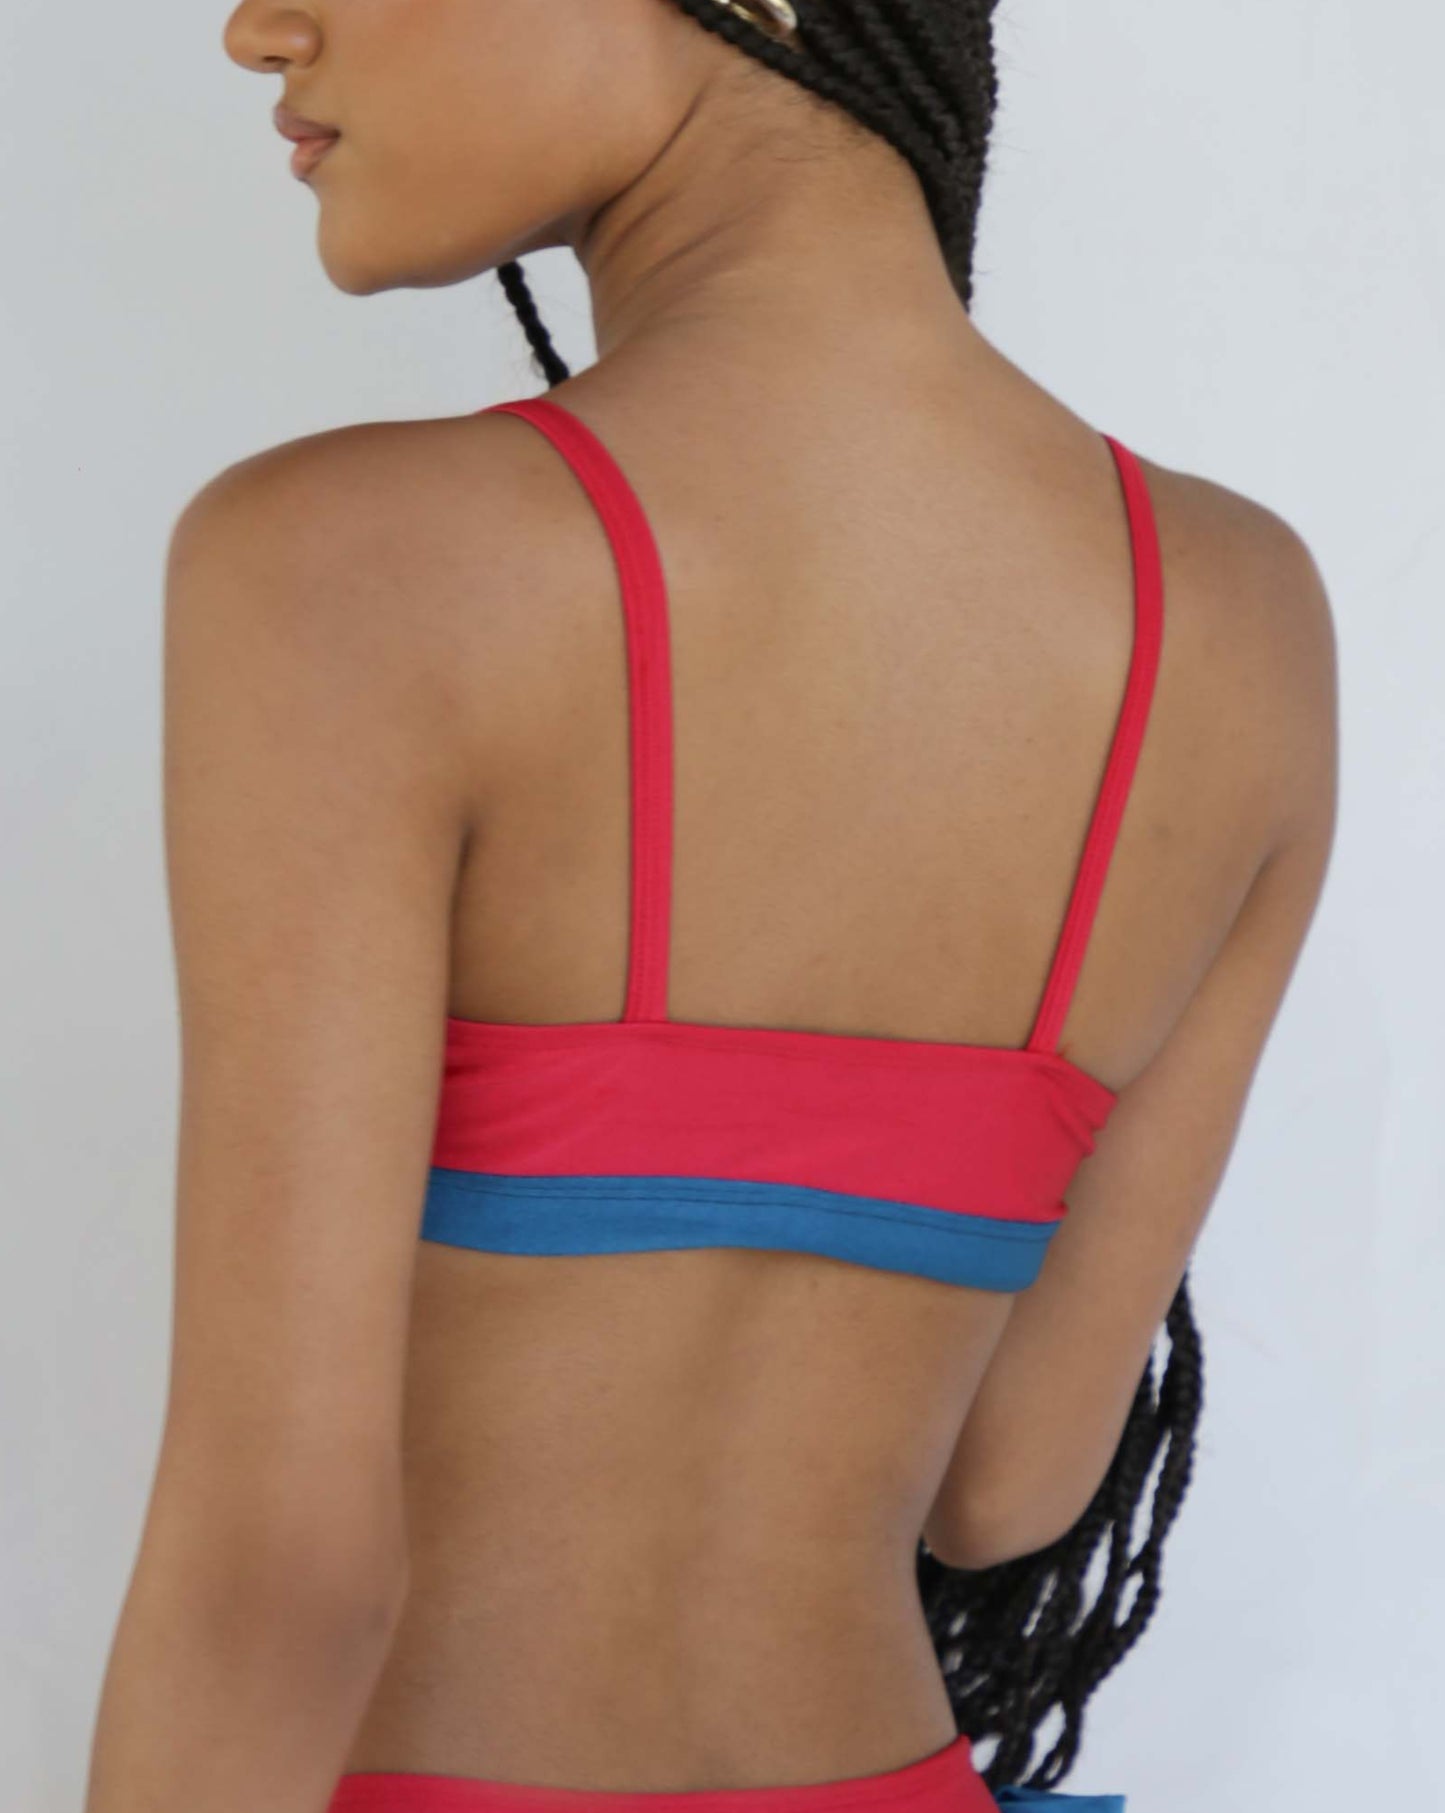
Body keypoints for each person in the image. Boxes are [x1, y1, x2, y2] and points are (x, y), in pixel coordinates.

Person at [82, 3, 1338, 1812]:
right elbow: (1006, 1481)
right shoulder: (1243, 621)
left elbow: (284, 1564)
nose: (256, 28)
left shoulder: (353, 571)